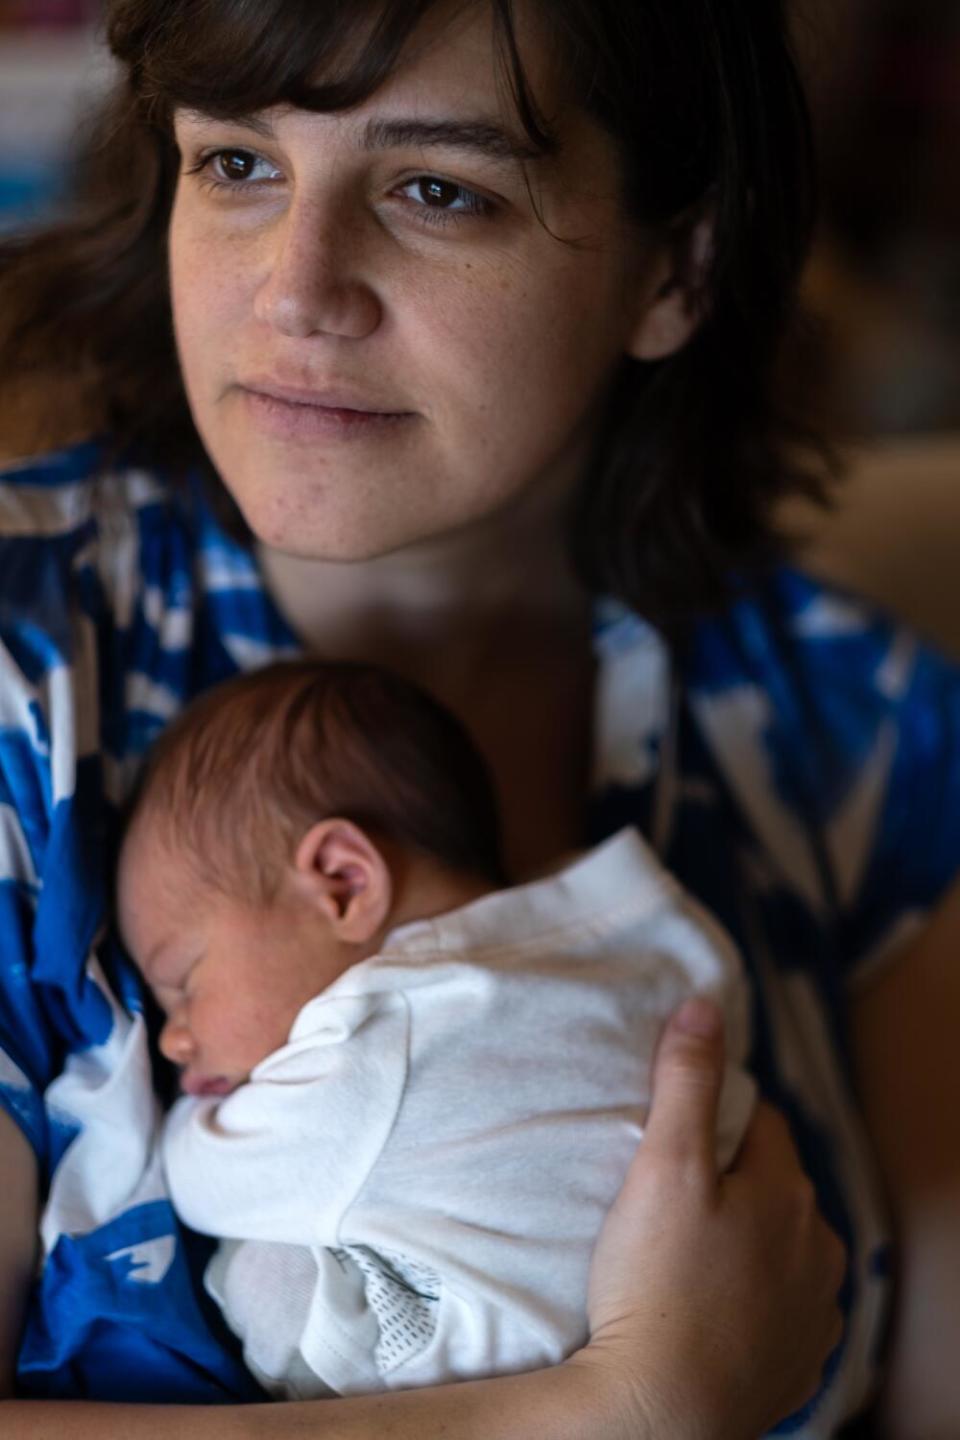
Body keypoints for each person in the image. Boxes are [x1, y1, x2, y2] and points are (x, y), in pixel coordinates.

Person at [0, 0, 957, 1435]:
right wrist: (619, 1410)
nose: (296, 290)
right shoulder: (26, 671)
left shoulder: (859, 735)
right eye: (239, 167)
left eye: (437, 189)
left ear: (677, 268)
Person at [115, 657, 756, 1400]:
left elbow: (199, 1180)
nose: (172, 1039)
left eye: (183, 983)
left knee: (265, 1270)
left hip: (494, 1380)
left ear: (345, 883)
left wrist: (193, 1114)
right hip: (733, 1324)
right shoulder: (629, 941)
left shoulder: (376, 1040)